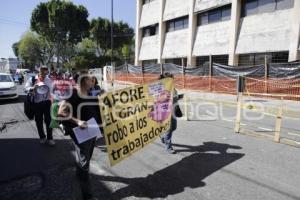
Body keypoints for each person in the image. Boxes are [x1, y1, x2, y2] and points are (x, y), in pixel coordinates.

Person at [58, 72, 101, 200]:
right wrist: (78, 122)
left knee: (86, 157)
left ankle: (80, 174)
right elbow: (61, 112)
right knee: (84, 163)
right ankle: (87, 196)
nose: (93, 81)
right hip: (81, 132)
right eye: (90, 79)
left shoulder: (89, 92)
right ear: (83, 81)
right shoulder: (73, 93)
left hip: (92, 131)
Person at [25, 66, 55, 146]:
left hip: (47, 102)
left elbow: (52, 90)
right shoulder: (32, 79)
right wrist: (33, 88)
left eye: (45, 71)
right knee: (39, 121)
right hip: (37, 103)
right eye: (42, 71)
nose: (44, 73)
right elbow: (26, 89)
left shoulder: (49, 80)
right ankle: (42, 137)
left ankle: (50, 138)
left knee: (48, 121)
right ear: (39, 71)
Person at [159, 73, 181, 154]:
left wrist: (178, 98)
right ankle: (168, 147)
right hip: (164, 112)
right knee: (168, 130)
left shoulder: (173, 88)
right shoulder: (160, 89)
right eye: (171, 79)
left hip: (173, 111)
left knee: (174, 127)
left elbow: (175, 98)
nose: (173, 80)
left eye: (172, 79)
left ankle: (162, 136)